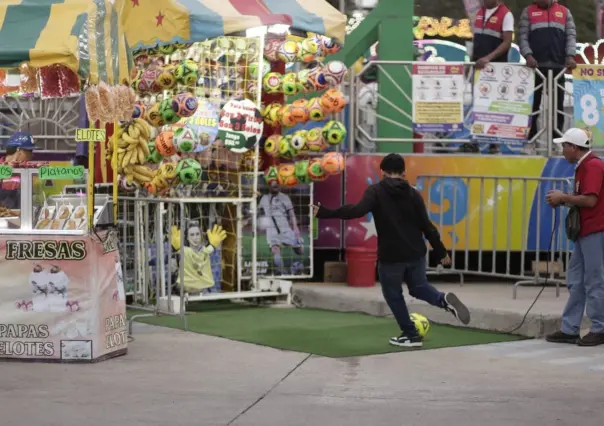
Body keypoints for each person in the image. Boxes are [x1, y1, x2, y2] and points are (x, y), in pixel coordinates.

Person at [312, 154, 470, 348]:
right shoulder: (413, 194)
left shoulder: (375, 191)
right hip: (416, 253)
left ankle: (410, 334)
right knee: (419, 287)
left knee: (393, 294)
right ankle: (443, 300)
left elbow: (356, 210)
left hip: (391, 256)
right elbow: (427, 226)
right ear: (404, 173)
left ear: (382, 172)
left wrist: (326, 212)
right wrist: (442, 252)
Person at [545, 128, 604, 346]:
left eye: (564, 146)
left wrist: (563, 198)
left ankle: (599, 328)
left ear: (574, 147)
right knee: (577, 279)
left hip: (595, 230)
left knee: (593, 280)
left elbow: (590, 200)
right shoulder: (585, 166)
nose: (562, 151)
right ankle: (570, 329)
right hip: (586, 231)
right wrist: (565, 199)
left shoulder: (593, 166)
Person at [518, 0, 577, 142]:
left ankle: (556, 140)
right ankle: (531, 139)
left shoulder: (564, 11)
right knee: (533, 105)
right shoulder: (528, 11)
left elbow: (571, 36)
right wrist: (528, 55)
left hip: (558, 68)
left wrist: (570, 56)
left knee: (558, 106)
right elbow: (522, 36)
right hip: (536, 68)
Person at [259, 180, 304, 276]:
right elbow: (258, 212)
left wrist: (295, 228)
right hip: (272, 230)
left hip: (285, 228)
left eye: (278, 184)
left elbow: (292, 215)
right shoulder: (264, 198)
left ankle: (299, 244)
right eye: (274, 184)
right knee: (275, 249)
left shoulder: (284, 197)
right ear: (269, 185)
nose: (276, 185)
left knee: (299, 251)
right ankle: (282, 272)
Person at [472, 0, 514, 69]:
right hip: (477, 64)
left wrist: (488, 58)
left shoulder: (506, 14)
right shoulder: (479, 12)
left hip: (495, 66)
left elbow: (507, 42)